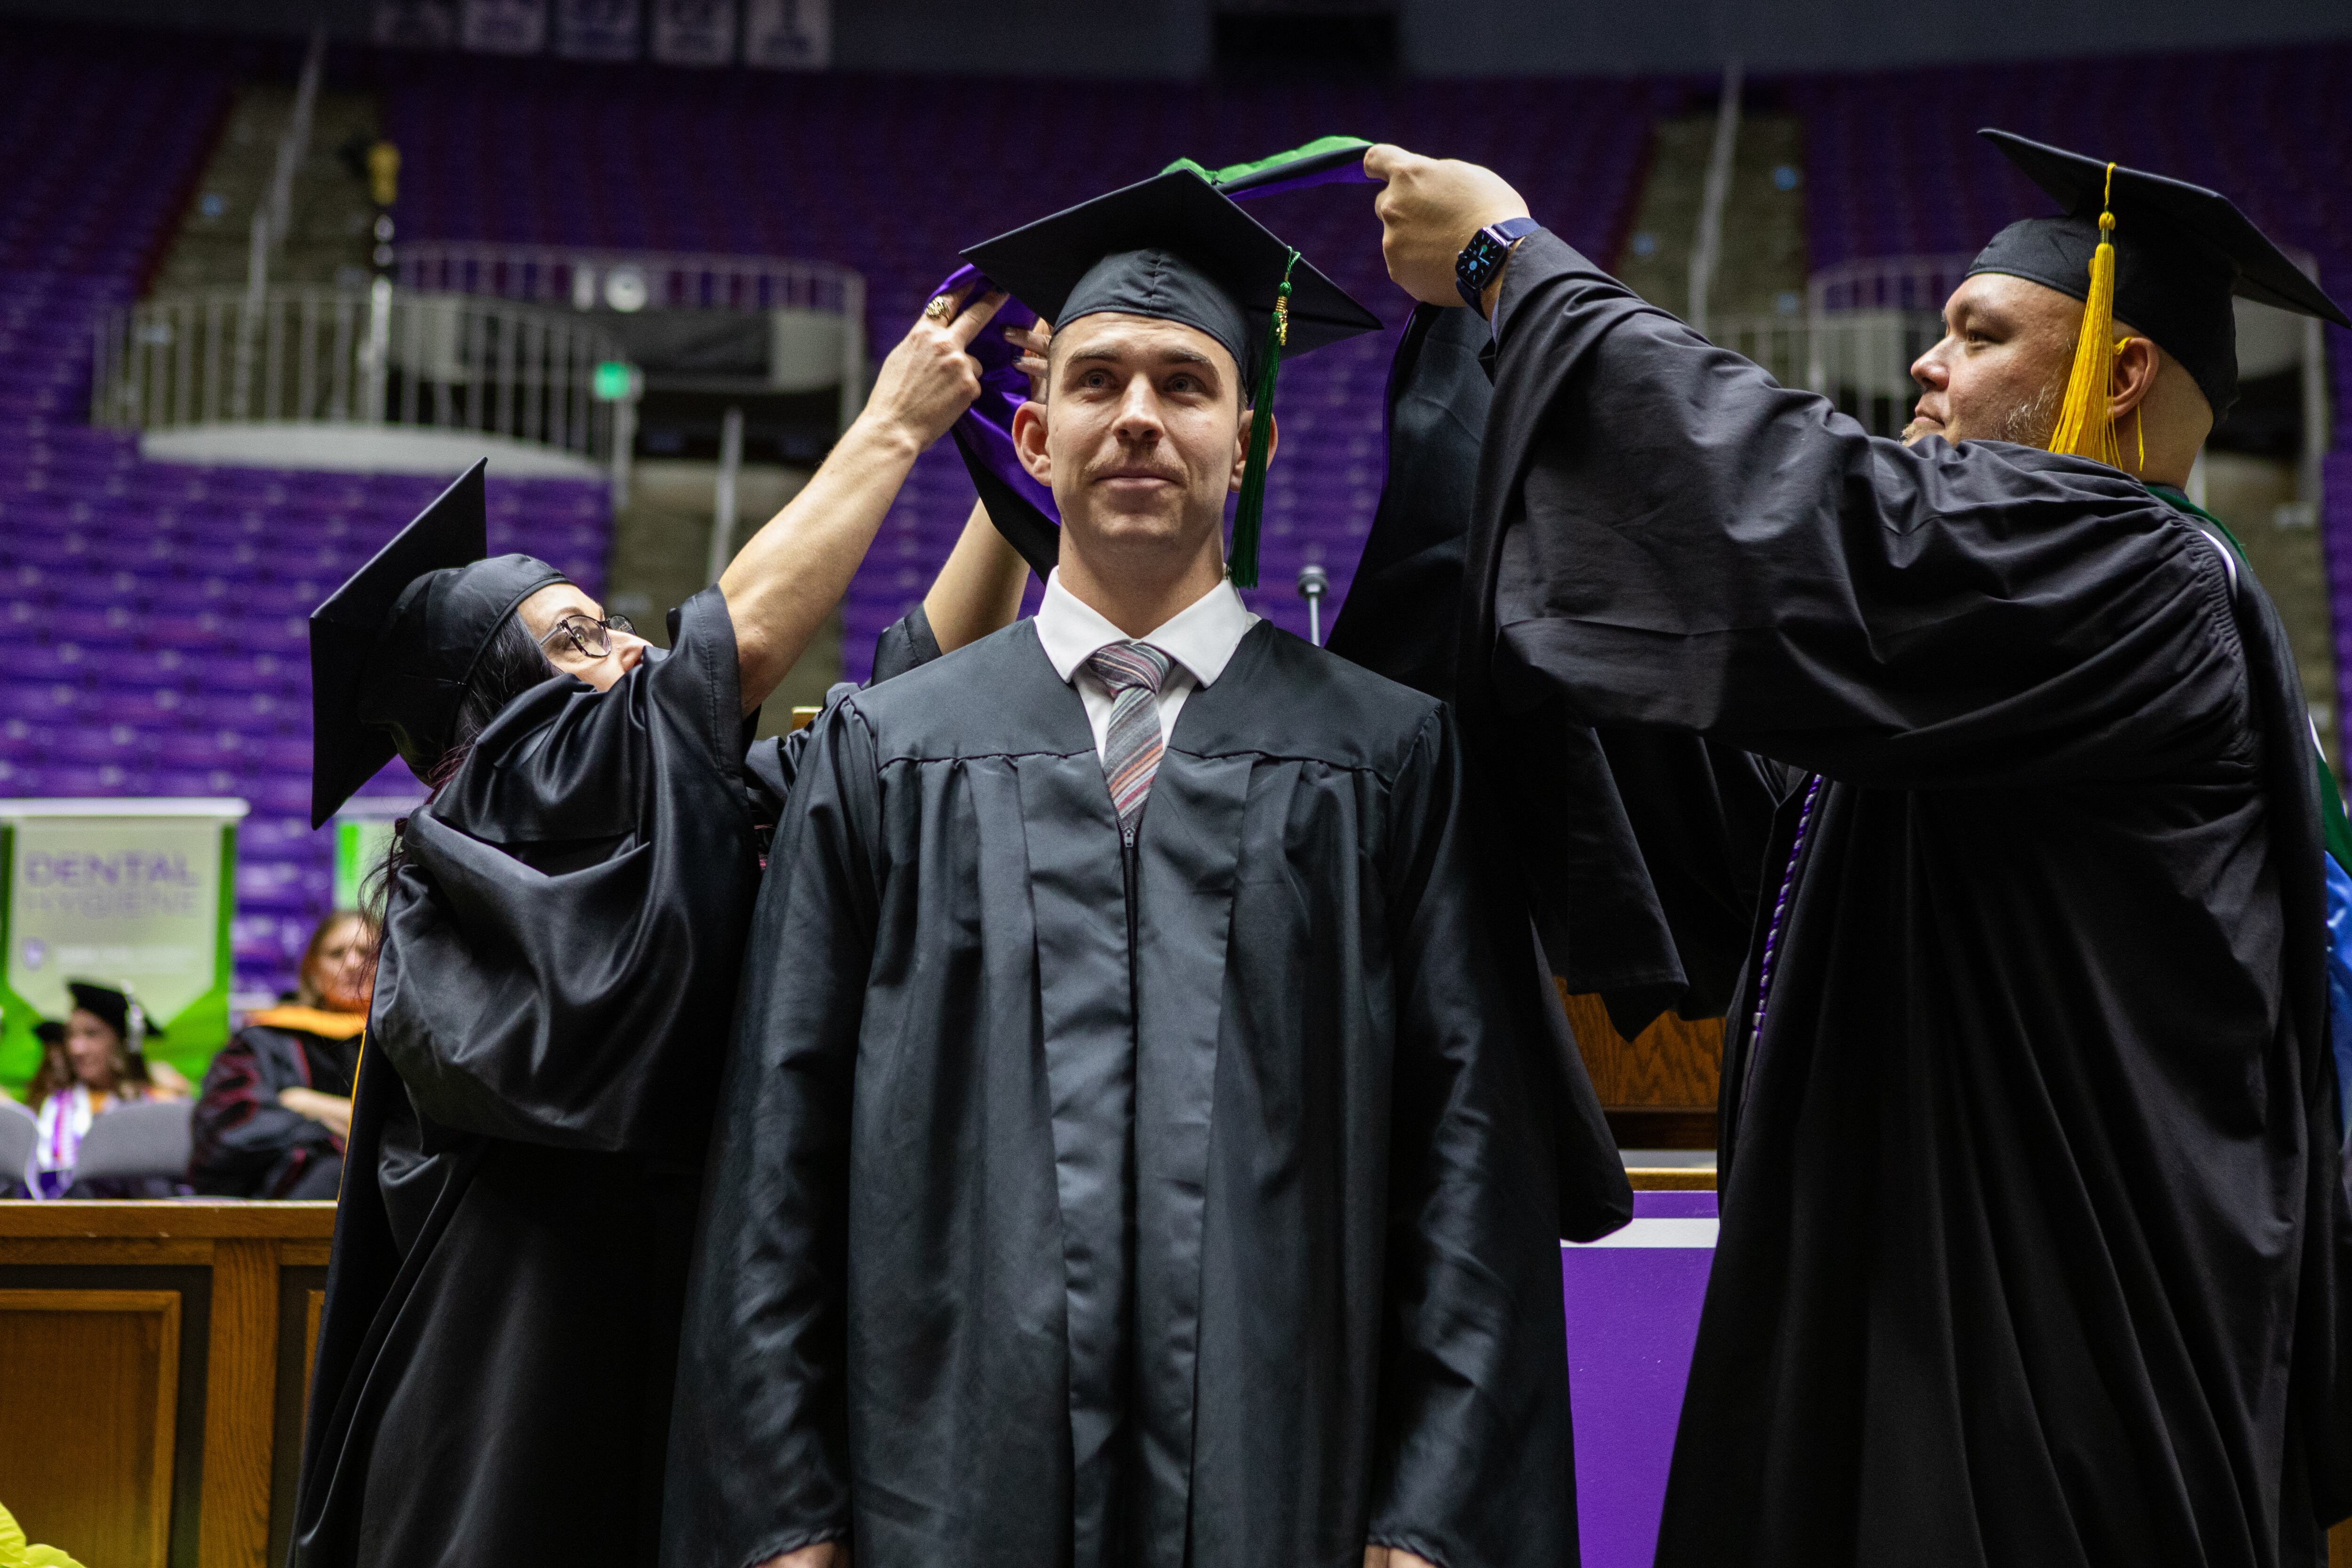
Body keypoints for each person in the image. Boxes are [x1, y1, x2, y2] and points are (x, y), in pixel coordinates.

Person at [1363, 131, 2352, 1565]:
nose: (1928, 368)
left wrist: (1514, 267)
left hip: (2062, 1363)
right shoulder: (1980, 675)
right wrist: (1481, 415)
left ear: (2118, 378)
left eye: (1979, 333)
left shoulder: (2143, 581)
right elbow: (1711, 796)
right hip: (1901, 1304)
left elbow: (1828, 523)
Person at [663, 167, 1626, 1568]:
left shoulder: (1385, 760)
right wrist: (786, 1520)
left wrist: (1429, 1526)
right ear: (1034, 433)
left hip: (1283, 1493)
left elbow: (1470, 1173)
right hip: (939, 1495)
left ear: (1254, 440)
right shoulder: (889, 750)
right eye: (1097, 379)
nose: (1134, 417)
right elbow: (775, 1159)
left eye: (1184, 385)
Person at [290, 283, 1032, 1568]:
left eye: (612, 620)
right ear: (483, 719)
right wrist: (891, 427)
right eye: (574, 639)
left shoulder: (680, 816)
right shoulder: (476, 837)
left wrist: (1017, 493)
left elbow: (909, 712)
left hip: (685, 1323)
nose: (625, 647)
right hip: (510, 1379)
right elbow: (721, 657)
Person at [188, 909, 378, 1200]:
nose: (353, 964)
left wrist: (313, 1105)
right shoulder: (263, 1042)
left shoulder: (409, 1044)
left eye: (367, 953)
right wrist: (339, 1135)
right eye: (337, 954)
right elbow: (230, 1130)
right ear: (313, 971)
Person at [24, 982, 189, 1199]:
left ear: (122, 1043)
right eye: (71, 1036)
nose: (76, 1049)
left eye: (92, 1034)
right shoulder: (52, 1108)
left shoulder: (156, 1105)